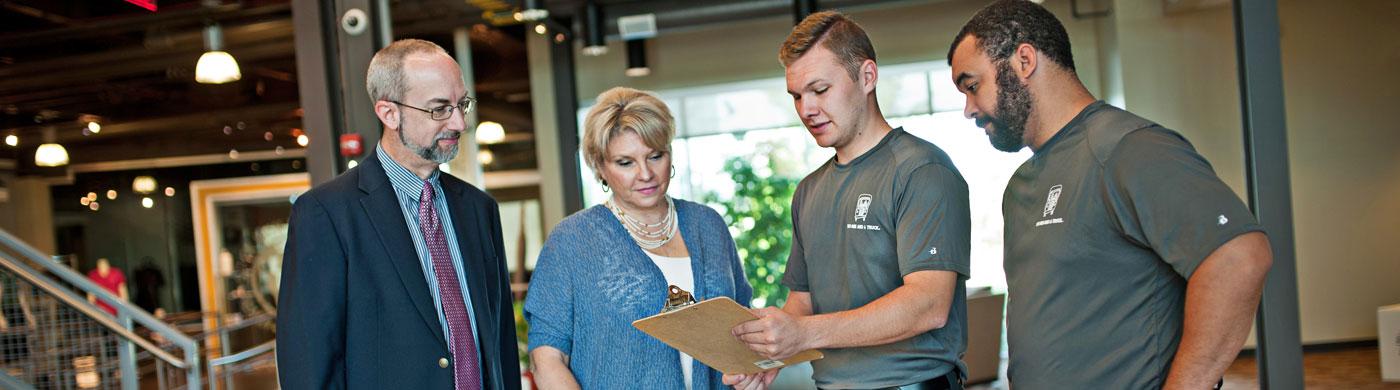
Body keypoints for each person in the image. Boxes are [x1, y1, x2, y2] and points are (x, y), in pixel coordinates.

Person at [946, 1, 1274, 388]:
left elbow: (1239, 257)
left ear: (1024, 61)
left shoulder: (1129, 149)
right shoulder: (1020, 185)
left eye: (973, 86)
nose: (968, 109)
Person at [729, 11, 971, 390]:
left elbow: (929, 305)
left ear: (867, 77)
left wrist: (804, 333)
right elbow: (802, 303)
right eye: (796, 96)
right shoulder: (809, 190)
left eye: (820, 90)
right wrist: (768, 353)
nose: (806, 109)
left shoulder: (922, 170)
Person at [276, 39, 519, 390]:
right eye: (439, 109)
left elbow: (500, 345)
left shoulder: (479, 210)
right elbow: (310, 365)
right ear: (389, 113)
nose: (459, 123)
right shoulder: (325, 214)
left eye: (461, 104)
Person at [524, 87, 753, 390]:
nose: (646, 173)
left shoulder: (707, 225)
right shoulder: (571, 241)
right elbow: (547, 357)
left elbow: (743, 325)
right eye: (625, 162)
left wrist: (750, 371)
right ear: (600, 167)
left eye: (655, 156)